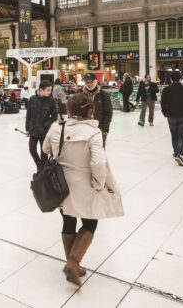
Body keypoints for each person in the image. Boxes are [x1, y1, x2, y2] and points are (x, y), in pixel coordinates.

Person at [42, 93, 123, 286]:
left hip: (61, 184)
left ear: (68, 111)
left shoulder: (57, 127)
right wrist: (98, 183)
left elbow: (46, 149)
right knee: (90, 223)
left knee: (68, 221)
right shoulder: (93, 132)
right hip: (84, 184)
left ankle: (73, 264)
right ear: (90, 111)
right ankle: (73, 262)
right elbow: (98, 161)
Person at [160, 71, 183, 166]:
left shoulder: (166, 89)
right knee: (182, 136)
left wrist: (164, 112)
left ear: (171, 78)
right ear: (180, 78)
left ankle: (176, 152)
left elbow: (162, 102)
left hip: (171, 115)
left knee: (174, 134)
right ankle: (179, 154)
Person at [25, 80, 58, 170]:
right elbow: (28, 115)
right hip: (33, 130)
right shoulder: (32, 99)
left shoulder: (51, 100)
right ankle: (39, 166)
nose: (50, 92)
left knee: (44, 152)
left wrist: (46, 124)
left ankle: (43, 171)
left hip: (44, 131)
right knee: (32, 149)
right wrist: (27, 129)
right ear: (41, 90)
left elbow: (54, 116)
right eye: (48, 90)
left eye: (50, 90)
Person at [78, 73, 113, 148]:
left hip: (99, 128)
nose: (89, 84)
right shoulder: (80, 94)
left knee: (99, 152)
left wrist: (104, 129)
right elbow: (75, 110)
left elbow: (108, 113)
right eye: (87, 82)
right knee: (84, 152)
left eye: (91, 82)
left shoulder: (104, 95)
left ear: (96, 81)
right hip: (83, 128)